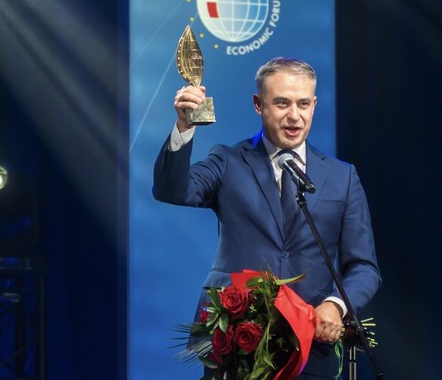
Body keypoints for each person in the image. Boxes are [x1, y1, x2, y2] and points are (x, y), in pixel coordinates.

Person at [153, 57, 381, 379]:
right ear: (259, 105)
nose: (294, 115)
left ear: (314, 105)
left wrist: (335, 304)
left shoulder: (342, 177)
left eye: (303, 104)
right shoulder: (228, 161)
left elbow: (364, 267)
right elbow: (171, 190)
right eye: (282, 103)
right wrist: (184, 126)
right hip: (235, 347)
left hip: (311, 349)